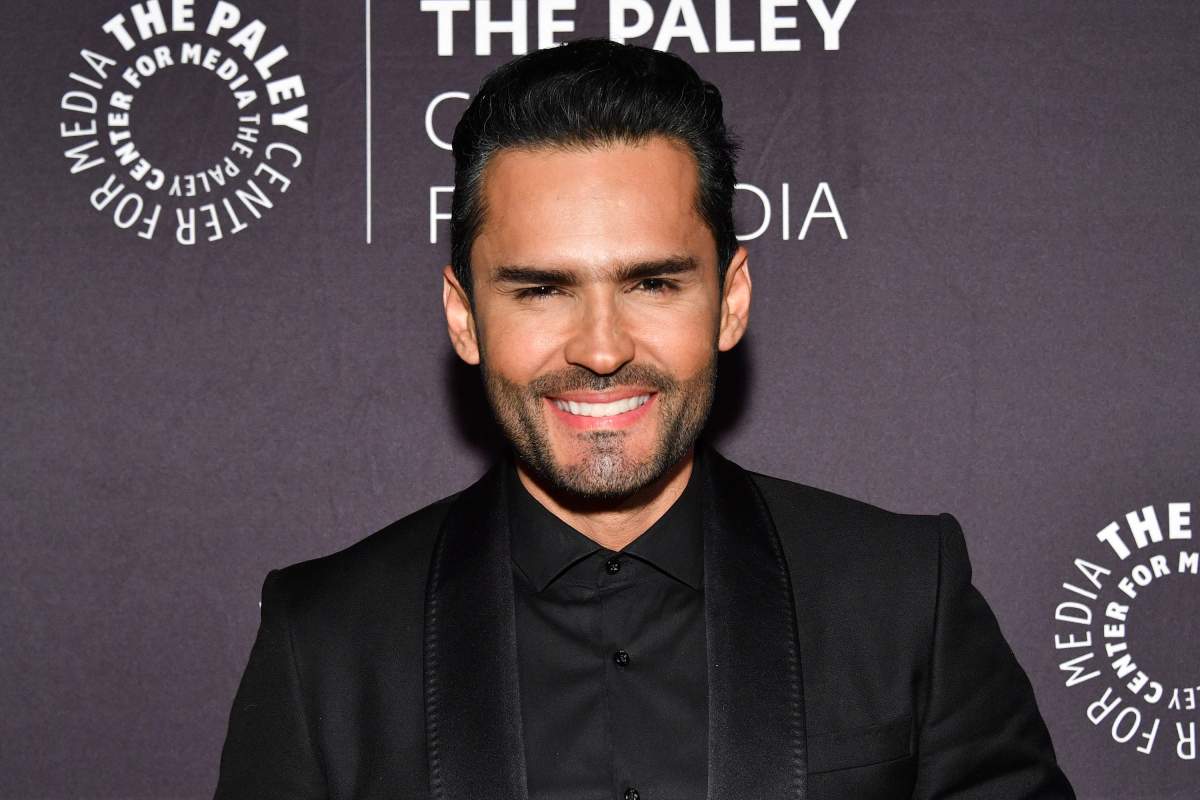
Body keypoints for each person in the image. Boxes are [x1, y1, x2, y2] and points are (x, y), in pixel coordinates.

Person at [214, 38, 1074, 800]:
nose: (601, 348)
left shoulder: (901, 597)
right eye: (542, 290)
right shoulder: (324, 640)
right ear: (464, 317)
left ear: (730, 301)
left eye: (653, 284)